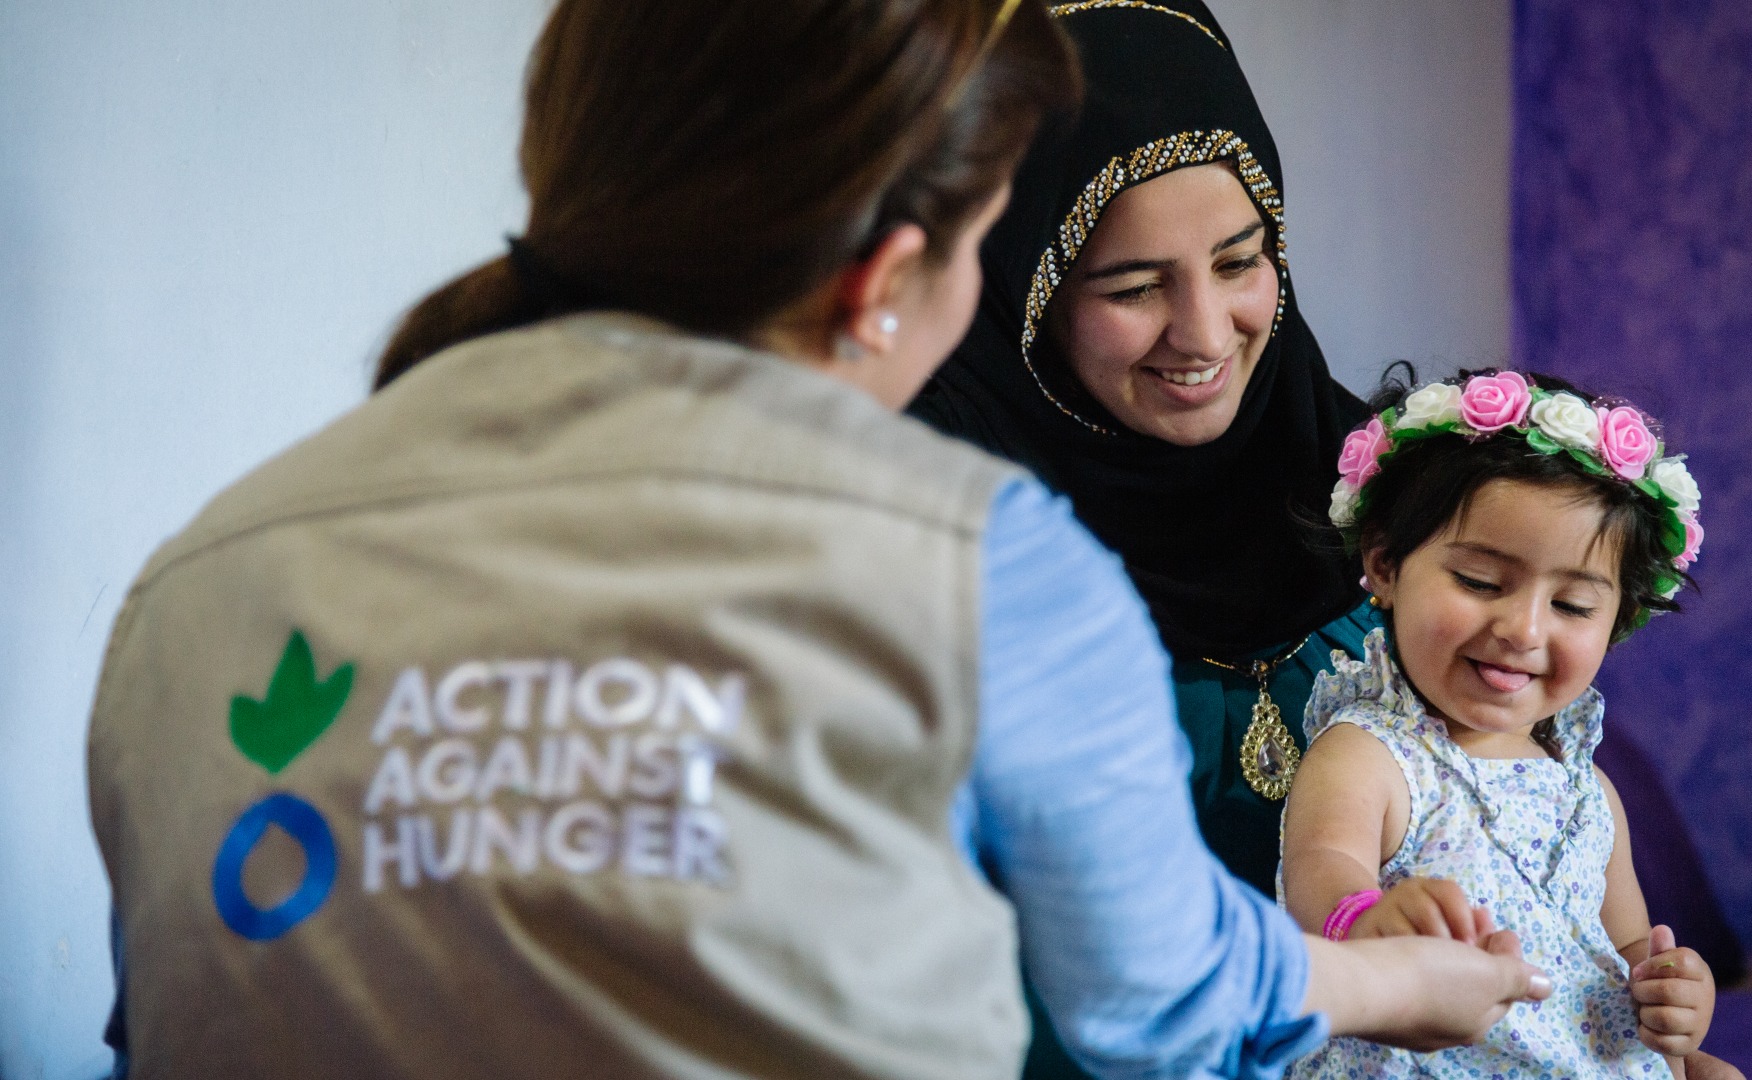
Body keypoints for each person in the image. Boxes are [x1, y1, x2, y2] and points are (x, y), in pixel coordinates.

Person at [88, 1, 1548, 1078]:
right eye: (994, 251)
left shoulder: (204, 572)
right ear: (891, 278)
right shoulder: (975, 564)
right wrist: (1397, 981)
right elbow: (1157, 1007)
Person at [908, 4, 1380, 1072]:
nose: (1206, 335)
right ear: (1019, 287)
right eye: (1131, 286)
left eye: (1240, 261)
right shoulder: (940, 533)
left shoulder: (1386, 493)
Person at [1279, 371, 1737, 1078]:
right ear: (1385, 566)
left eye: (1574, 606)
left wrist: (1675, 993)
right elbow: (1321, 871)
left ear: (1617, 619)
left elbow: (1631, 947)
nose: (1522, 630)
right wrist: (1365, 924)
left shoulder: (1587, 790)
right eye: (1481, 583)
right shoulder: (1371, 755)